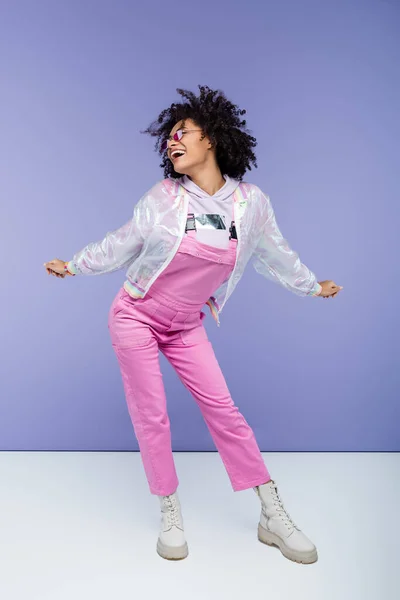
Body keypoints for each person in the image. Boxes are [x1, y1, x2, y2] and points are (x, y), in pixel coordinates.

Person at [44, 84, 343, 564]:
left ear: (213, 139)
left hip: (185, 324)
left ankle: (271, 511)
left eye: (183, 132)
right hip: (136, 316)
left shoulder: (251, 203)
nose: (172, 141)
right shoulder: (163, 198)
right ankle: (169, 509)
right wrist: (75, 265)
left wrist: (310, 286)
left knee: (224, 410)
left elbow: (275, 254)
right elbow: (121, 243)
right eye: (169, 137)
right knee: (153, 415)